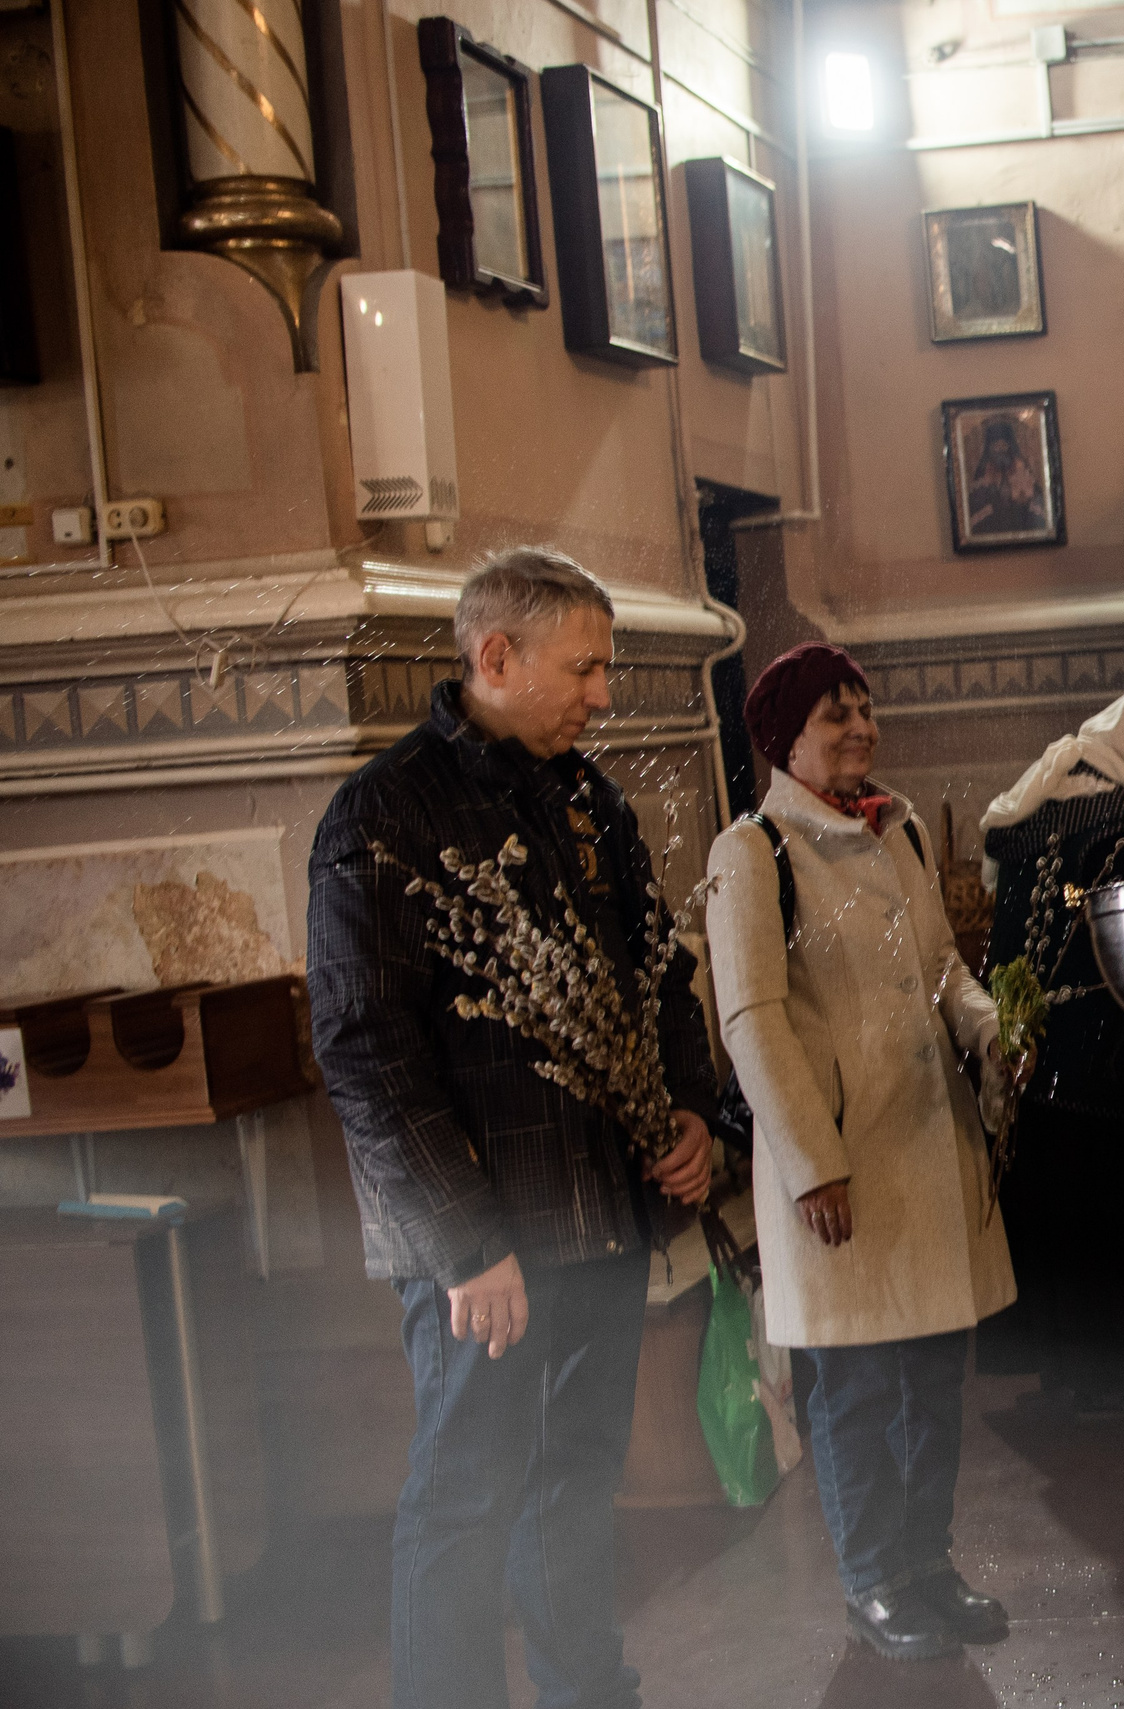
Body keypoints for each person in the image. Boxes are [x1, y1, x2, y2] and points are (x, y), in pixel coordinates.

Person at [307, 547, 719, 1709]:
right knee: (465, 1496)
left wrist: (686, 1106)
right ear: (495, 656)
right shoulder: (380, 814)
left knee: (580, 1481)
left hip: (597, 1216)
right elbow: (363, 1046)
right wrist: (465, 1241)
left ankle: (590, 1691)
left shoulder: (587, 800)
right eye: (584, 668)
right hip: (482, 1249)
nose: (603, 693)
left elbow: (656, 973)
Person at [704, 643, 1016, 1661]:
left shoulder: (901, 827)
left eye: (864, 711)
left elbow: (939, 965)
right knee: (855, 1385)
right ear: (783, 738)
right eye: (834, 716)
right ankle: (872, 1575)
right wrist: (810, 1163)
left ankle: (927, 1560)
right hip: (841, 1171)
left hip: (927, 1148)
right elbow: (751, 1019)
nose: (859, 729)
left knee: (930, 1377)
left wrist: (985, 1022)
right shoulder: (753, 852)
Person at [977, 682, 1124, 1417]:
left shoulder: (1027, 809)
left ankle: (1068, 1377)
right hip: (1113, 1054)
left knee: (1060, 1219)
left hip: (1033, 1056)